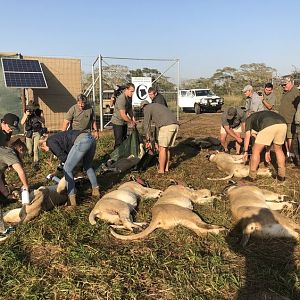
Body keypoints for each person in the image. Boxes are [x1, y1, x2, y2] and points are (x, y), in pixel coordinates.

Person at [39, 130, 100, 207]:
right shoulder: (58, 138)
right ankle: (96, 192)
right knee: (87, 165)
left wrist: (73, 169)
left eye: (43, 150)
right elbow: (67, 158)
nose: (46, 151)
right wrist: (57, 171)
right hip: (90, 139)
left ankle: (72, 202)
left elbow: (63, 157)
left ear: (43, 145)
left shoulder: (50, 141)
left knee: (67, 169)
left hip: (82, 141)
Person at [242, 111, 287, 182]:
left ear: (248, 115)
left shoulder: (249, 119)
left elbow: (247, 136)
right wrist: (267, 151)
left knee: (256, 151)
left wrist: (245, 151)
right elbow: (269, 137)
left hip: (268, 124)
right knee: (278, 150)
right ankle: (282, 175)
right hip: (283, 124)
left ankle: (251, 176)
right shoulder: (262, 114)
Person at [140, 100, 179, 174]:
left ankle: (161, 171)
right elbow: (158, 129)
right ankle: (166, 168)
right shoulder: (156, 107)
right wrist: (155, 142)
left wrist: (148, 140)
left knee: (162, 149)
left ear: (143, 107)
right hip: (175, 125)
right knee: (166, 148)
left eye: (142, 110)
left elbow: (146, 125)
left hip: (167, 126)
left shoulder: (147, 108)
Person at [278, 76, 300, 163]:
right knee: (286, 137)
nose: (283, 86)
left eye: (285, 84)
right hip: (283, 119)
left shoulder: (296, 92)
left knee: (290, 137)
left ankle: (292, 155)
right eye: (282, 85)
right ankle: (288, 154)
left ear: (291, 82)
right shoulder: (285, 92)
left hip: (291, 119)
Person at [0, 139, 29, 203]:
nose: (22, 158)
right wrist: (26, 186)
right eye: (23, 154)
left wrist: (7, 195)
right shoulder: (10, 153)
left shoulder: (5, 152)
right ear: (21, 149)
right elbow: (20, 171)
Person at [110, 83, 136, 149]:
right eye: (131, 91)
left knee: (124, 139)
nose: (132, 93)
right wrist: (131, 122)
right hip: (117, 122)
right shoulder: (122, 99)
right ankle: (116, 157)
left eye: (133, 91)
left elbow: (129, 109)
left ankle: (123, 156)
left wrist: (133, 118)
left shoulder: (130, 97)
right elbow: (123, 115)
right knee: (119, 142)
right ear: (126, 89)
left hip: (124, 122)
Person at [21, 104, 46, 170]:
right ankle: (30, 157)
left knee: (35, 149)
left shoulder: (39, 112)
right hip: (29, 133)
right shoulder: (27, 112)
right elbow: (22, 122)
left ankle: (36, 163)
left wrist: (37, 116)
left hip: (37, 132)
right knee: (29, 150)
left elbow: (43, 121)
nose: (32, 110)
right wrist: (26, 115)